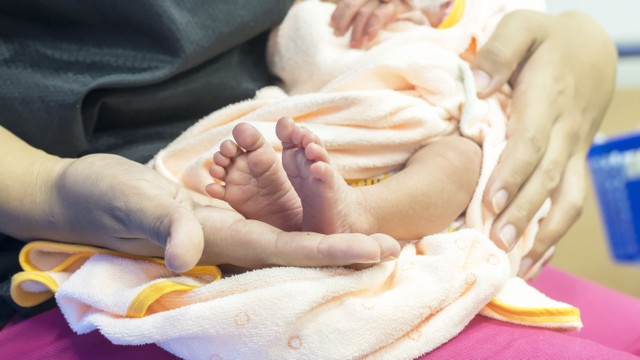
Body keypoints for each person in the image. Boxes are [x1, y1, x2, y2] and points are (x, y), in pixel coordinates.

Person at [0, 0, 615, 315]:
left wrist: (587, 47)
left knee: (457, 156)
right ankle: (340, 207)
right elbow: (306, 44)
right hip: (171, 176)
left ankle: (360, 209)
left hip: (436, 119)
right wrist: (47, 188)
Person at [328, 0, 618, 277]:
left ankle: (361, 212)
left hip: (458, 131)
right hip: (351, 112)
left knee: (459, 161)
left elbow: (511, 34)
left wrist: (592, 44)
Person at [206, 117, 480, 239]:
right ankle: (296, 214)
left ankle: (357, 212)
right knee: (460, 156)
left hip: (411, 155)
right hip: (337, 143)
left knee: (462, 153)